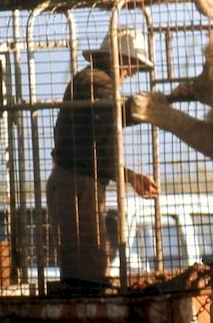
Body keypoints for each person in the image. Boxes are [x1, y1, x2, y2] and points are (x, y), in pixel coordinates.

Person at [47, 27, 159, 296]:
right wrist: (158, 107)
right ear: (116, 57)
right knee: (88, 276)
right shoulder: (97, 82)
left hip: (77, 184)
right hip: (78, 187)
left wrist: (130, 176)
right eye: (131, 64)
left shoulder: (91, 81)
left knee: (86, 269)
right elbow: (109, 128)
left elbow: (101, 145)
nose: (132, 72)